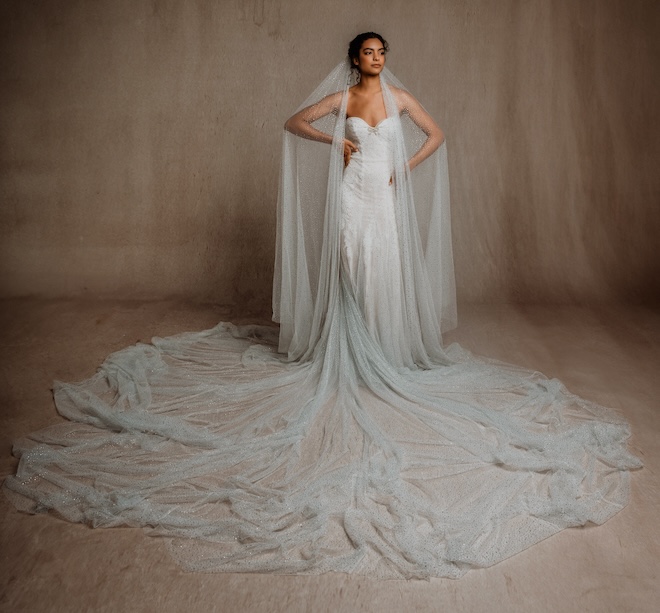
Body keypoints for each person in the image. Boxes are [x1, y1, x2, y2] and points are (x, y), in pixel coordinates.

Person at [3, 33, 641, 580]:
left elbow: (437, 135)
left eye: (382, 51)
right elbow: (294, 122)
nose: (376, 58)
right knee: (351, 271)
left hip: (384, 198)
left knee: (383, 270)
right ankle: (347, 349)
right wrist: (338, 144)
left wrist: (403, 168)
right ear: (355, 59)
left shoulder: (399, 100)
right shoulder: (346, 100)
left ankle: (385, 352)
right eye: (368, 51)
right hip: (351, 196)